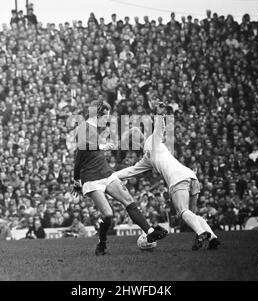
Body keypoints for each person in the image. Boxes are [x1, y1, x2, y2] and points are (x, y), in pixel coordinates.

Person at [115, 103, 220, 250]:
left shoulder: (152, 142)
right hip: (191, 176)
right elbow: (131, 170)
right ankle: (213, 237)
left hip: (178, 179)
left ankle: (201, 232)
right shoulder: (148, 156)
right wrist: (112, 176)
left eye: (131, 143)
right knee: (191, 214)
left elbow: (159, 130)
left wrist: (159, 114)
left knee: (183, 211)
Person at [72, 100, 168, 256]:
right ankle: (102, 243)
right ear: (98, 114)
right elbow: (82, 146)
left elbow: (79, 156)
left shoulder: (94, 129)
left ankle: (150, 231)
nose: (106, 119)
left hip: (106, 173)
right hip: (91, 179)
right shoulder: (84, 127)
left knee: (129, 201)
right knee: (108, 214)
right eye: (105, 116)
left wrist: (76, 179)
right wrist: (102, 147)